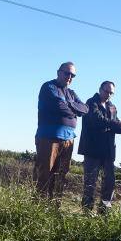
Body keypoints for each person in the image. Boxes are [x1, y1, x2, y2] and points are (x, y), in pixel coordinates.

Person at [35, 62, 89, 203]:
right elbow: (59, 106)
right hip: (49, 138)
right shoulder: (49, 87)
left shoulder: (71, 93)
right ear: (59, 72)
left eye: (72, 75)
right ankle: (38, 207)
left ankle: (54, 207)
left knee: (61, 175)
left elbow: (85, 109)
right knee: (45, 174)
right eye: (67, 73)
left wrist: (69, 104)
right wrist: (73, 111)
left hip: (68, 140)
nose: (69, 77)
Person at [79, 81, 121, 212]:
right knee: (90, 182)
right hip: (92, 149)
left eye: (111, 93)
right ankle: (87, 211)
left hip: (108, 151)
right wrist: (116, 124)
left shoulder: (112, 107)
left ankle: (104, 211)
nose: (109, 95)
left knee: (109, 182)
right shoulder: (91, 102)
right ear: (100, 89)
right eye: (106, 91)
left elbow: (115, 126)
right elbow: (97, 120)